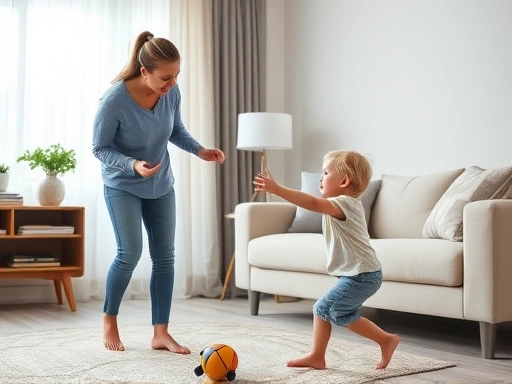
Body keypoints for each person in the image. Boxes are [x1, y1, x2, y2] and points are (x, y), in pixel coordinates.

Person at [92, 31, 225, 353]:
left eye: (176, 76)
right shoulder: (114, 101)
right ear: (144, 72)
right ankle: (109, 319)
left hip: (161, 184)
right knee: (129, 254)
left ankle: (160, 332)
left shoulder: (169, 93)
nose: (172, 83)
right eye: (166, 77)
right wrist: (132, 164)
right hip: (122, 184)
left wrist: (199, 150)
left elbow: (175, 130)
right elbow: (100, 148)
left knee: (165, 257)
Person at [253, 150, 399, 370]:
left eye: (326, 172)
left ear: (344, 181)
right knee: (342, 314)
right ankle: (386, 340)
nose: (321, 177)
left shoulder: (345, 203)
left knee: (321, 308)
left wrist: (277, 189)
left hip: (362, 275)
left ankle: (317, 356)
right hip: (362, 274)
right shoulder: (342, 204)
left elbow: (311, 202)